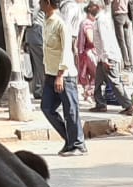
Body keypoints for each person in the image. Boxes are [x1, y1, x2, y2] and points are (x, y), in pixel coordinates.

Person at [39, 0, 87, 155]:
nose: (39, 4)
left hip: (64, 75)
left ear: (47, 2)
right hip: (50, 73)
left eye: (41, 1)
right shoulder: (46, 22)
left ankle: (78, 144)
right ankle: (69, 139)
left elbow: (66, 52)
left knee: (71, 111)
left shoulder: (60, 23)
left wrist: (60, 75)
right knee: (47, 107)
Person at [90, 1, 133, 113]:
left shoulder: (101, 20)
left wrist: (105, 58)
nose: (90, 9)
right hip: (103, 56)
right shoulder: (102, 19)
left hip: (108, 56)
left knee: (114, 82)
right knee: (98, 81)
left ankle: (128, 105)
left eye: (91, 6)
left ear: (97, 7)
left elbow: (105, 40)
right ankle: (100, 104)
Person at [25, 0, 47, 98]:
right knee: (38, 63)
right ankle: (40, 90)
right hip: (36, 31)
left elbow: (32, 15)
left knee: (40, 63)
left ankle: (43, 90)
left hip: (36, 30)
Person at [77, 3, 98, 102]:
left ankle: (87, 93)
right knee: (95, 74)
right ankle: (89, 93)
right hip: (89, 53)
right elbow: (90, 39)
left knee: (86, 74)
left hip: (83, 53)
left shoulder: (83, 22)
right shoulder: (88, 23)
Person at [111, 0, 133, 65]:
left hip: (118, 16)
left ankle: (126, 62)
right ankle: (131, 61)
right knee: (127, 42)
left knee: (121, 41)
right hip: (126, 15)